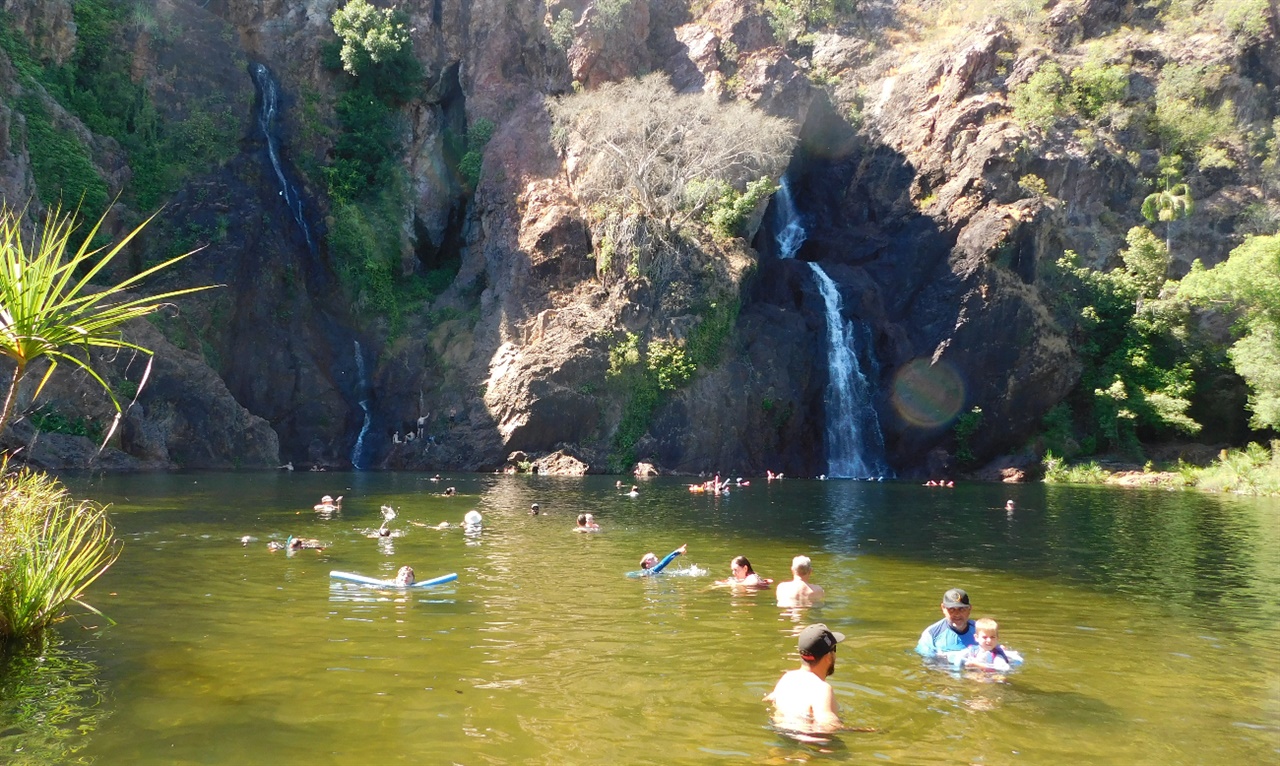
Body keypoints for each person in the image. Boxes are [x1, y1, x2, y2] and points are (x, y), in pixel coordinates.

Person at [764, 623, 844, 734]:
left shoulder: (787, 678)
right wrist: (863, 731)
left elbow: (769, 699)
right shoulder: (822, 689)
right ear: (828, 657)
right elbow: (829, 726)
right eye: (834, 649)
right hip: (809, 742)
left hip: (783, 736)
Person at [915, 588, 977, 658]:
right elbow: (926, 661)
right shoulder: (932, 634)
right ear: (943, 608)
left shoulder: (983, 631)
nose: (957, 614)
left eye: (961, 609)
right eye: (951, 609)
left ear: (969, 609)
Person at [946, 617, 1023, 671]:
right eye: (985, 637)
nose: (989, 640)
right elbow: (959, 654)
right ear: (976, 638)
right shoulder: (973, 650)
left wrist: (979, 666)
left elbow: (1003, 668)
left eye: (992, 637)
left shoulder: (996, 655)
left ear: (997, 638)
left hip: (991, 678)